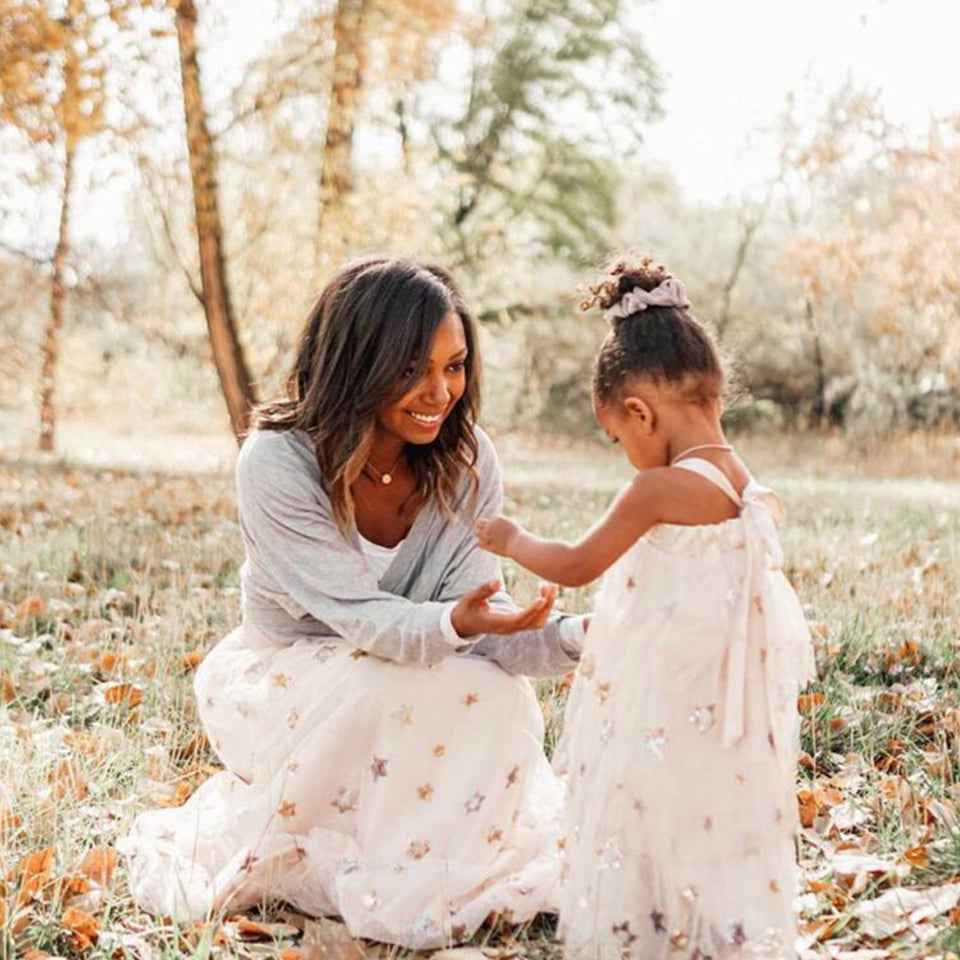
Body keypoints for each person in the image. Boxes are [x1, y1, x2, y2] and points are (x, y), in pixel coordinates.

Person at [119, 256, 586, 950]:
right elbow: (364, 621)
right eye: (412, 369)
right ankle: (370, 860)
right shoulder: (277, 461)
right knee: (376, 683)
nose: (440, 391)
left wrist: (578, 637)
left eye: (454, 366)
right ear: (357, 363)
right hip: (283, 673)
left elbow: (478, 625)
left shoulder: (468, 462)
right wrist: (457, 623)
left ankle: (435, 860)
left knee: (496, 693)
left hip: (408, 669)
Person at [476, 257, 815, 960]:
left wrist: (512, 540)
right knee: (714, 807)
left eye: (617, 437)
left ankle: (645, 925)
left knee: (644, 797)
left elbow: (575, 564)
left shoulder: (658, 489)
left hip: (666, 689)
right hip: (726, 698)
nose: (626, 451)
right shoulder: (743, 479)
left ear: (638, 412)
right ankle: (712, 922)